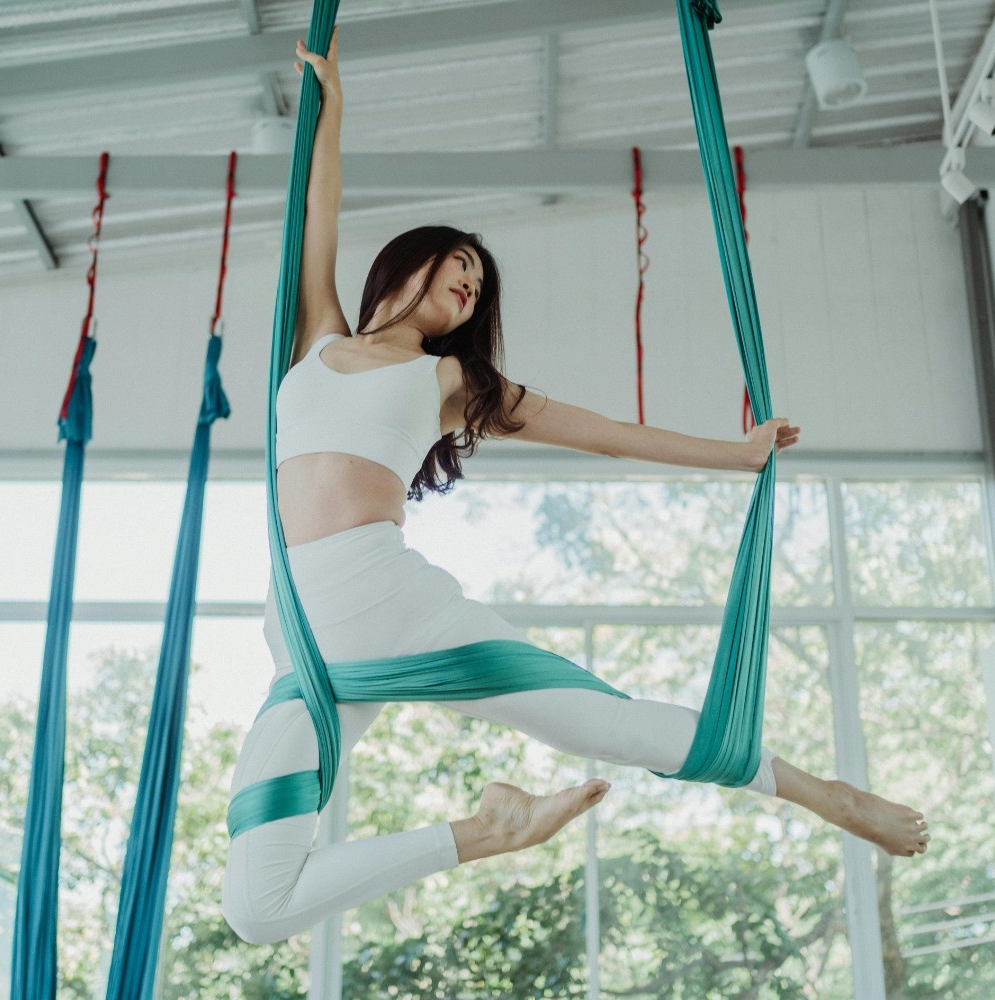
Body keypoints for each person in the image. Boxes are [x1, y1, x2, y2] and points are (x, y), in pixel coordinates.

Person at [221, 28, 928, 946]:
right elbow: (317, 203)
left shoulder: (448, 383)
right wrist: (334, 110)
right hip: (304, 654)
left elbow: (610, 437)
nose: (471, 289)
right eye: (459, 268)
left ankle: (819, 791)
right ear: (410, 262)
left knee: (602, 722)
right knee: (254, 908)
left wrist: (737, 454)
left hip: (382, 601)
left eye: (479, 286)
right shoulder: (316, 337)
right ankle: (487, 832)